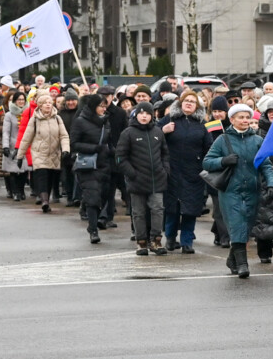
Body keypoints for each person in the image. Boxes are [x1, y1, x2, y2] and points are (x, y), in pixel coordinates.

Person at [205, 103, 273, 278]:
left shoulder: (257, 140)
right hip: (230, 191)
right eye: (241, 117)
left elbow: (266, 165)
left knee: (247, 226)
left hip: (253, 191)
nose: (245, 120)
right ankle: (243, 264)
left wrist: (272, 184)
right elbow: (207, 162)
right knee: (237, 224)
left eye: (247, 117)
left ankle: (232, 259)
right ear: (232, 119)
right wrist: (223, 161)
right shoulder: (223, 140)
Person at [161, 90, 210, 255]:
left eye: (192, 101)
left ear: (197, 106)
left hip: (193, 173)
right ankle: (170, 238)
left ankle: (187, 242)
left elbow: (208, 148)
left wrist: (204, 166)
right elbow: (154, 137)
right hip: (172, 172)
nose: (189, 103)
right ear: (180, 103)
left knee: (190, 210)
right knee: (172, 208)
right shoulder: (169, 119)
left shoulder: (202, 124)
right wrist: (163, 130)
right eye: (186, 100)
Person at [118, 103, 170, 256]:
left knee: (158, 209)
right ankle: (141, 242)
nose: (144, 116)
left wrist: (165, 171)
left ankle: (156, 240)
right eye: (141, 113)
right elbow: (120, 157)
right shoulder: (128, 133)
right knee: (138, 212)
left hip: (157, 180)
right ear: (136, 115)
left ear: (152, 115)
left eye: (147, 113)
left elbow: (165, 154)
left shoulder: (158, 132)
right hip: (137, 181)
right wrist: (131, 173)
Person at [69, 94, 112, 244]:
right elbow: (74, 144)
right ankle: (93, 230)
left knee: (104, 196)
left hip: (104, 164)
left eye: (105, 106)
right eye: (101, 106)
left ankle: (92, 216)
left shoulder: (105, 122)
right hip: (87, 165)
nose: (104, 109)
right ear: (93, 106)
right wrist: (94, 148)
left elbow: (109, 142)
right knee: (92, 197)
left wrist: (113, 152)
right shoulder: (80, 121)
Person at [18, 96, 70, 213]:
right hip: (39, 153)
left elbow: (64, 136)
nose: (48, 105)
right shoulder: (35, 119)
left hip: (54, 153)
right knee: (42, 175)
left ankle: (46, 198)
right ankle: (45, 201)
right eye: (45, 103)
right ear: (40, 106)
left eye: (50, 102)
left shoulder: (57, 118)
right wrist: (20, 156)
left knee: (50, 177)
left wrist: (66, 149)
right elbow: (26, 138)